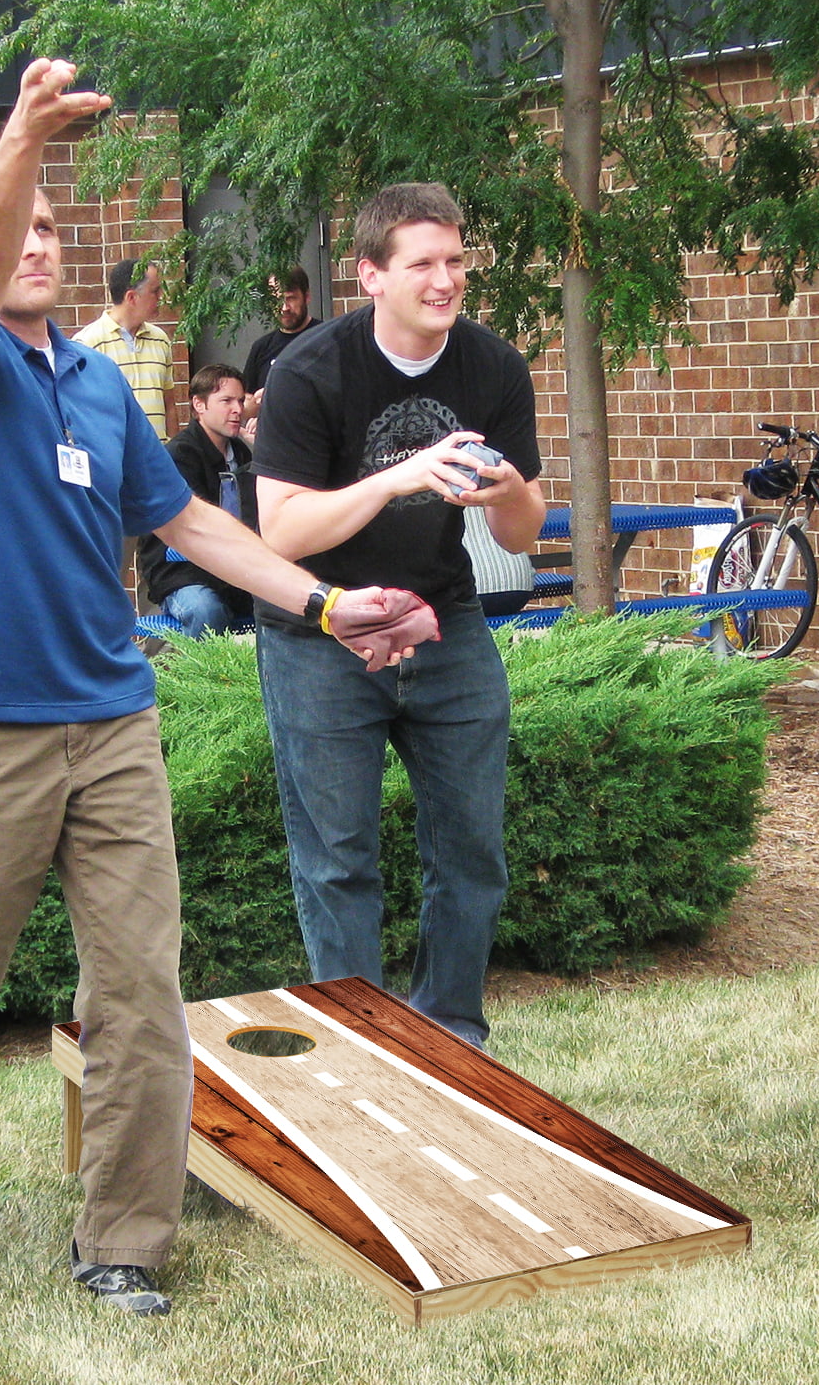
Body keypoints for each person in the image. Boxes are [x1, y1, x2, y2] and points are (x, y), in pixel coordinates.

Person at [0, 59, 439, 1318]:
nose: (37, 242)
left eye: (54, 228)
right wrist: (21, 142)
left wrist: (324, 606)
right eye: (17, 226)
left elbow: (192, 530)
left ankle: (122, 1241)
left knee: (139, 987)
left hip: (110, 722)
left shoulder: (100, 384)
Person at [252, 182, 547, 1049]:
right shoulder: (310, 370)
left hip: (443, 622)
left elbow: (522, 533)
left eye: (456, 260)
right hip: (321, 632)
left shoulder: (493, 368)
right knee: (338, 861)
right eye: (422, 264)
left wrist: (509, 489)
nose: (445, 280)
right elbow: (281, 531)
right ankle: (364, 1050)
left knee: (472, 852)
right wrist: (400, 476)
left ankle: (452, 1040)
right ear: (371, 275)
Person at [137, 364, 257, 637]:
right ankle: (201, 667)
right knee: (206, 610)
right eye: (226, 401)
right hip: (180, 570)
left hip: (233, 567)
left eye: (240, 401)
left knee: (281, 603)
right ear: (199, 405)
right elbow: (195, 525)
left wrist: (261, 451)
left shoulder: (242, 452)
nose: (237, 409)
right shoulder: (179, 455)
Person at [74, 256, 175, 441]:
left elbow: (169, 404)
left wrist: (174, 452)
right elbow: (81, 412)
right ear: (131, 297)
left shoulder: (160, 339)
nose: (162, 298)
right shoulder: (88, 344)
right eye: (155, 291)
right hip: (116, 455)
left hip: (160, 455)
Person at [241, 264, 321, 439]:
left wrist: (275, 397)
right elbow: (246, 402)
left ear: (307, 296)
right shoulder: (261, 347)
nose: (284, 307)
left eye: (291, 298)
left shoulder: (327, 338)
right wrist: (255, 408)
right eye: (277, 300)